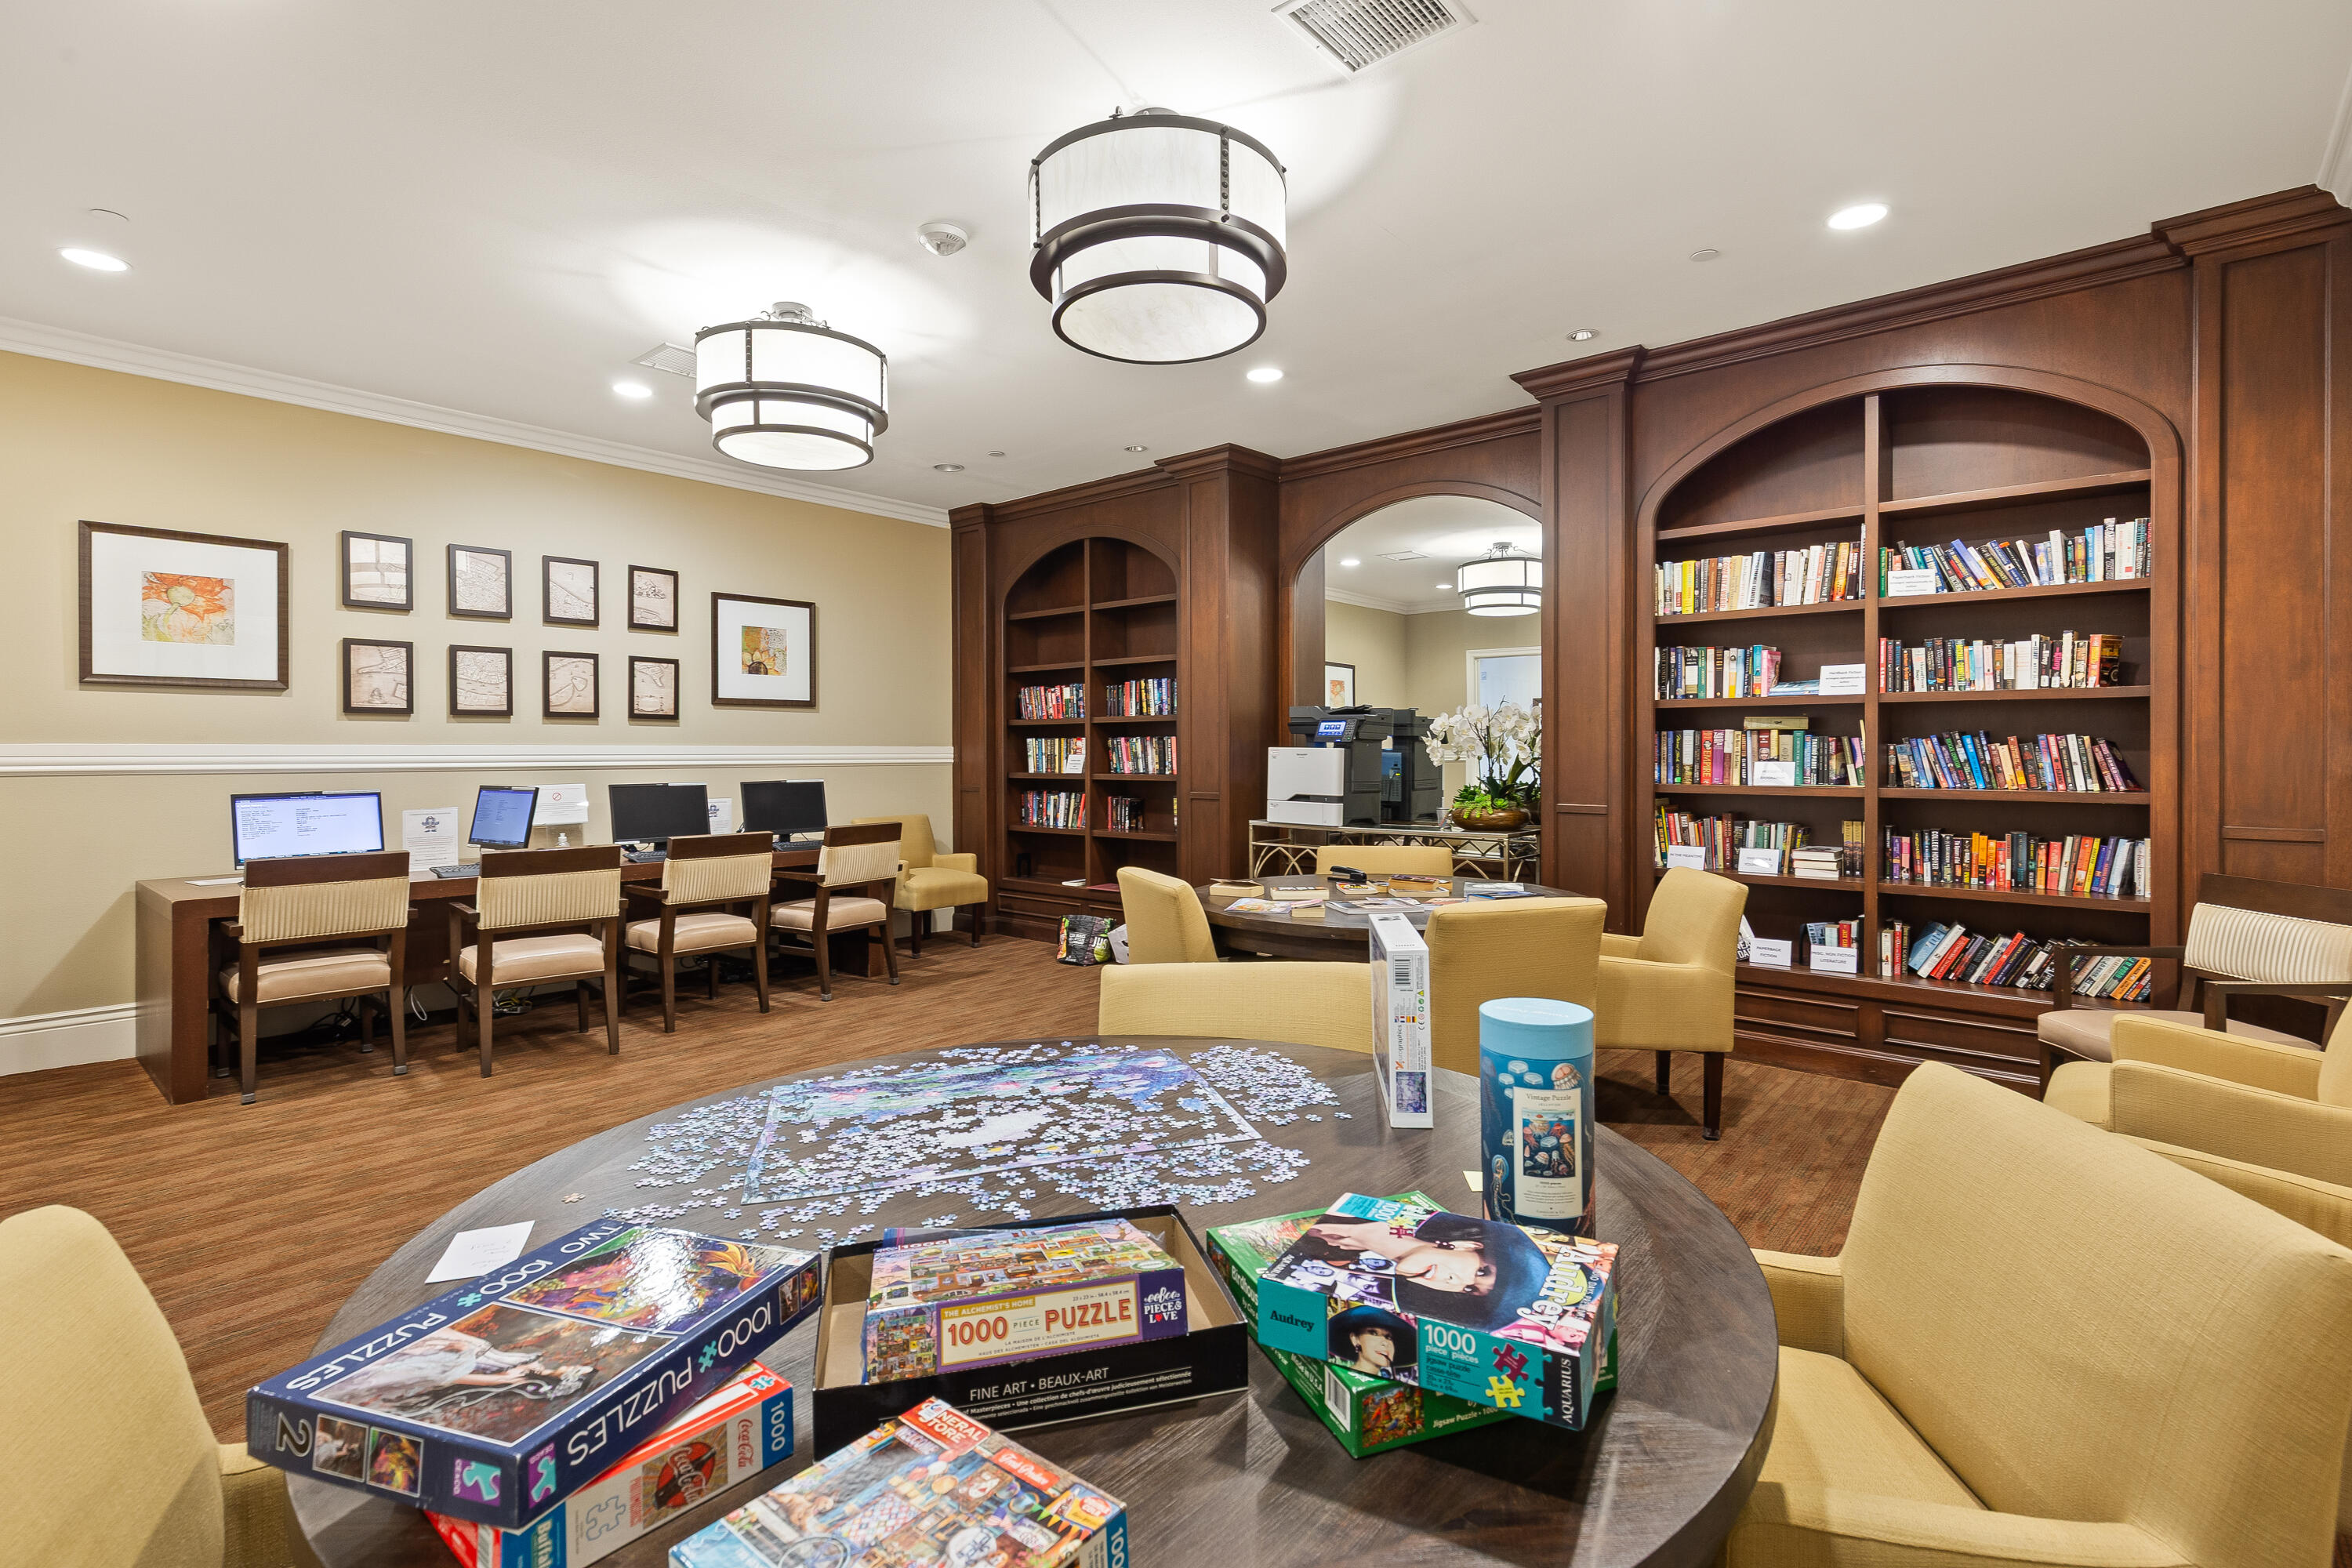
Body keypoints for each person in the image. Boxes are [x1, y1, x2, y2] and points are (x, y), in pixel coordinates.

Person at [1290, 1207, 1552, 1332]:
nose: (1455, 1282)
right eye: (1481, 1272)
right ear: (1467, 1246)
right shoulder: (1359, 1212)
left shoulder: (1346, 1272)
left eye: (1470, 1289)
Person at [1327, 1305, 1416, 1376]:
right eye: (1374, 1333)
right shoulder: (1343, 1377)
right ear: (1355, 1339)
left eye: (1389, 1337)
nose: (1385, 1343)